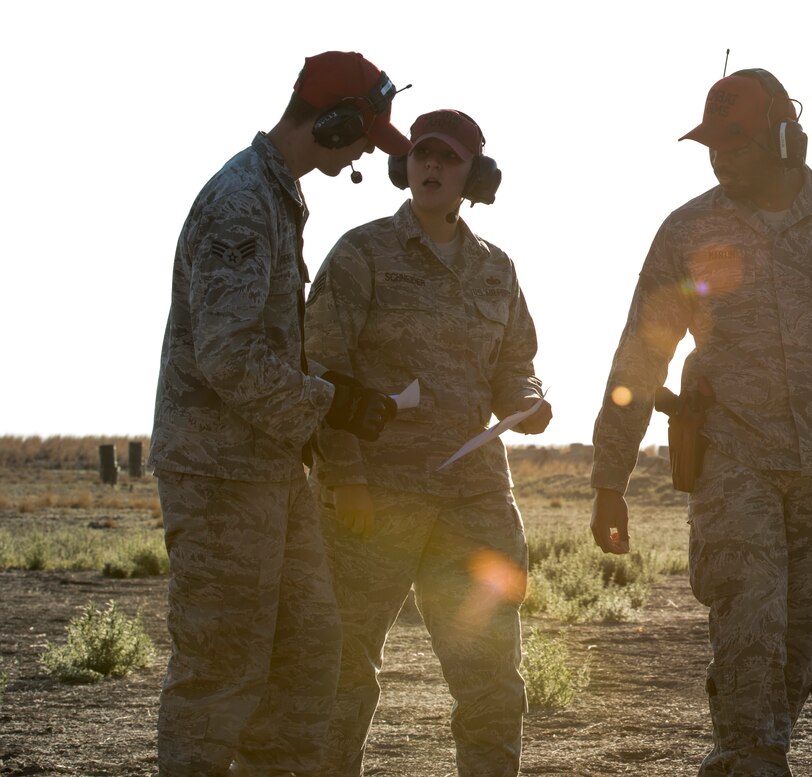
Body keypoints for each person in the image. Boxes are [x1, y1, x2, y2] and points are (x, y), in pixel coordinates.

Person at [589, 68, 812, 776]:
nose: (719, 158)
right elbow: (640, 358)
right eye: (711, 146)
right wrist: (610, 479)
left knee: (796, 638)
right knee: (750, 627)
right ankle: (750, 757)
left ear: (787, 141)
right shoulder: (690, 230)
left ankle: (750, 750)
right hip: (732, 465)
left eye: (735, 143)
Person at [148, 51, 412, 777]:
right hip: (221, 476)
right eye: (362, 135)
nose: (365, 152)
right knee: (221, 673)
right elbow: (227, 355)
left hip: (270, 471)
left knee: (305, 659)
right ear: (332, 121)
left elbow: (255, 347)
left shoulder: (277, 197)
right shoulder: (241, 201)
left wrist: (329, 395)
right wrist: (330, 405)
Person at [304, 108, 552, 777]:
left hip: (472, 500)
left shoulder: (497, 270)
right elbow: (320, 367)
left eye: (448, 158)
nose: (432, 167)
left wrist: (524, 402)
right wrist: (345, 475)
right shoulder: (361, 254)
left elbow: (514, 363)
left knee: (492, 680)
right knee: (342, 674)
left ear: (476, 175)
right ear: (403, 166)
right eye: (421, 156)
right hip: (374, 499)